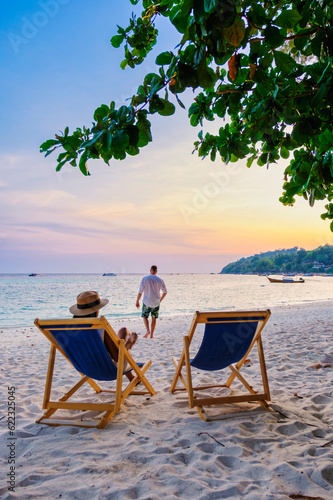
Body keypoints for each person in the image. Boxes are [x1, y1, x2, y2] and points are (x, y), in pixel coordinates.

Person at [70, 290, 138, 380]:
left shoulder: (68, 331)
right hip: (109, 370)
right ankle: (126, 345)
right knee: (124, 332)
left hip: (84, 369)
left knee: (122, 331)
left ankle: (132, 377)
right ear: (96, 311)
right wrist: (129, 343)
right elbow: (118, 358)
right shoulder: (99, 329)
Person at [136, 265, 167, 338]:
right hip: (156, 303)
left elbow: (140, 291)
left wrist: (137, 301)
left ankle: (147, 330)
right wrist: (160, 300)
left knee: (145, 316)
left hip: (146, 302)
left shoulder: (145, 279)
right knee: (154, 318)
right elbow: (165, 292)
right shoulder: (160, 280)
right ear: (156, 271)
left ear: (150, 270)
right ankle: (152, 335)